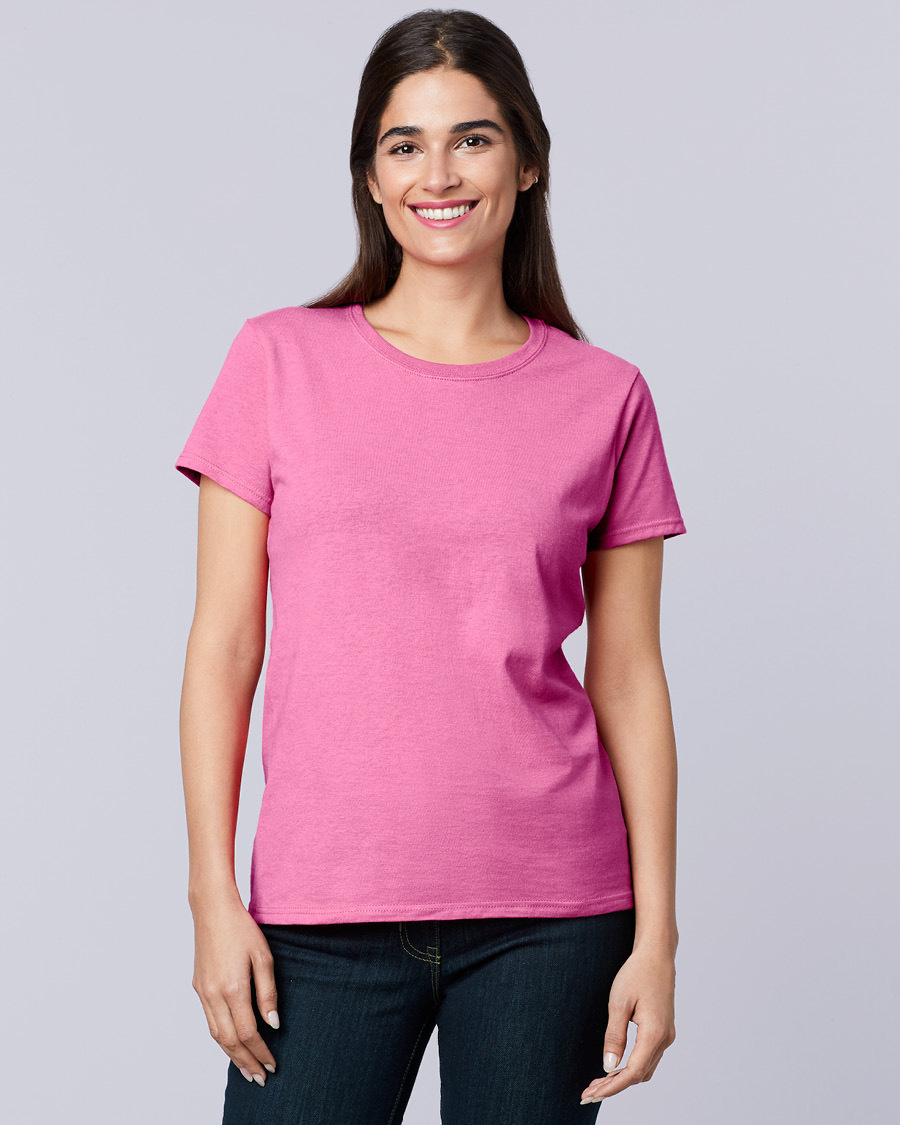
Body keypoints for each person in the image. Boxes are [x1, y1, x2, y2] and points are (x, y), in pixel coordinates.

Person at [175, 9, 686, 1123]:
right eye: (405, 144)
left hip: (552, 916)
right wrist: (213, 894)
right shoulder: (276, 360)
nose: (438, 174)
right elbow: (224, 646)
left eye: (473, 138)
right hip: (319, 910)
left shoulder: (605, 396)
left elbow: (629, 677)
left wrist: (658, 933)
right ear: (369, 174)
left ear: (528, 160)